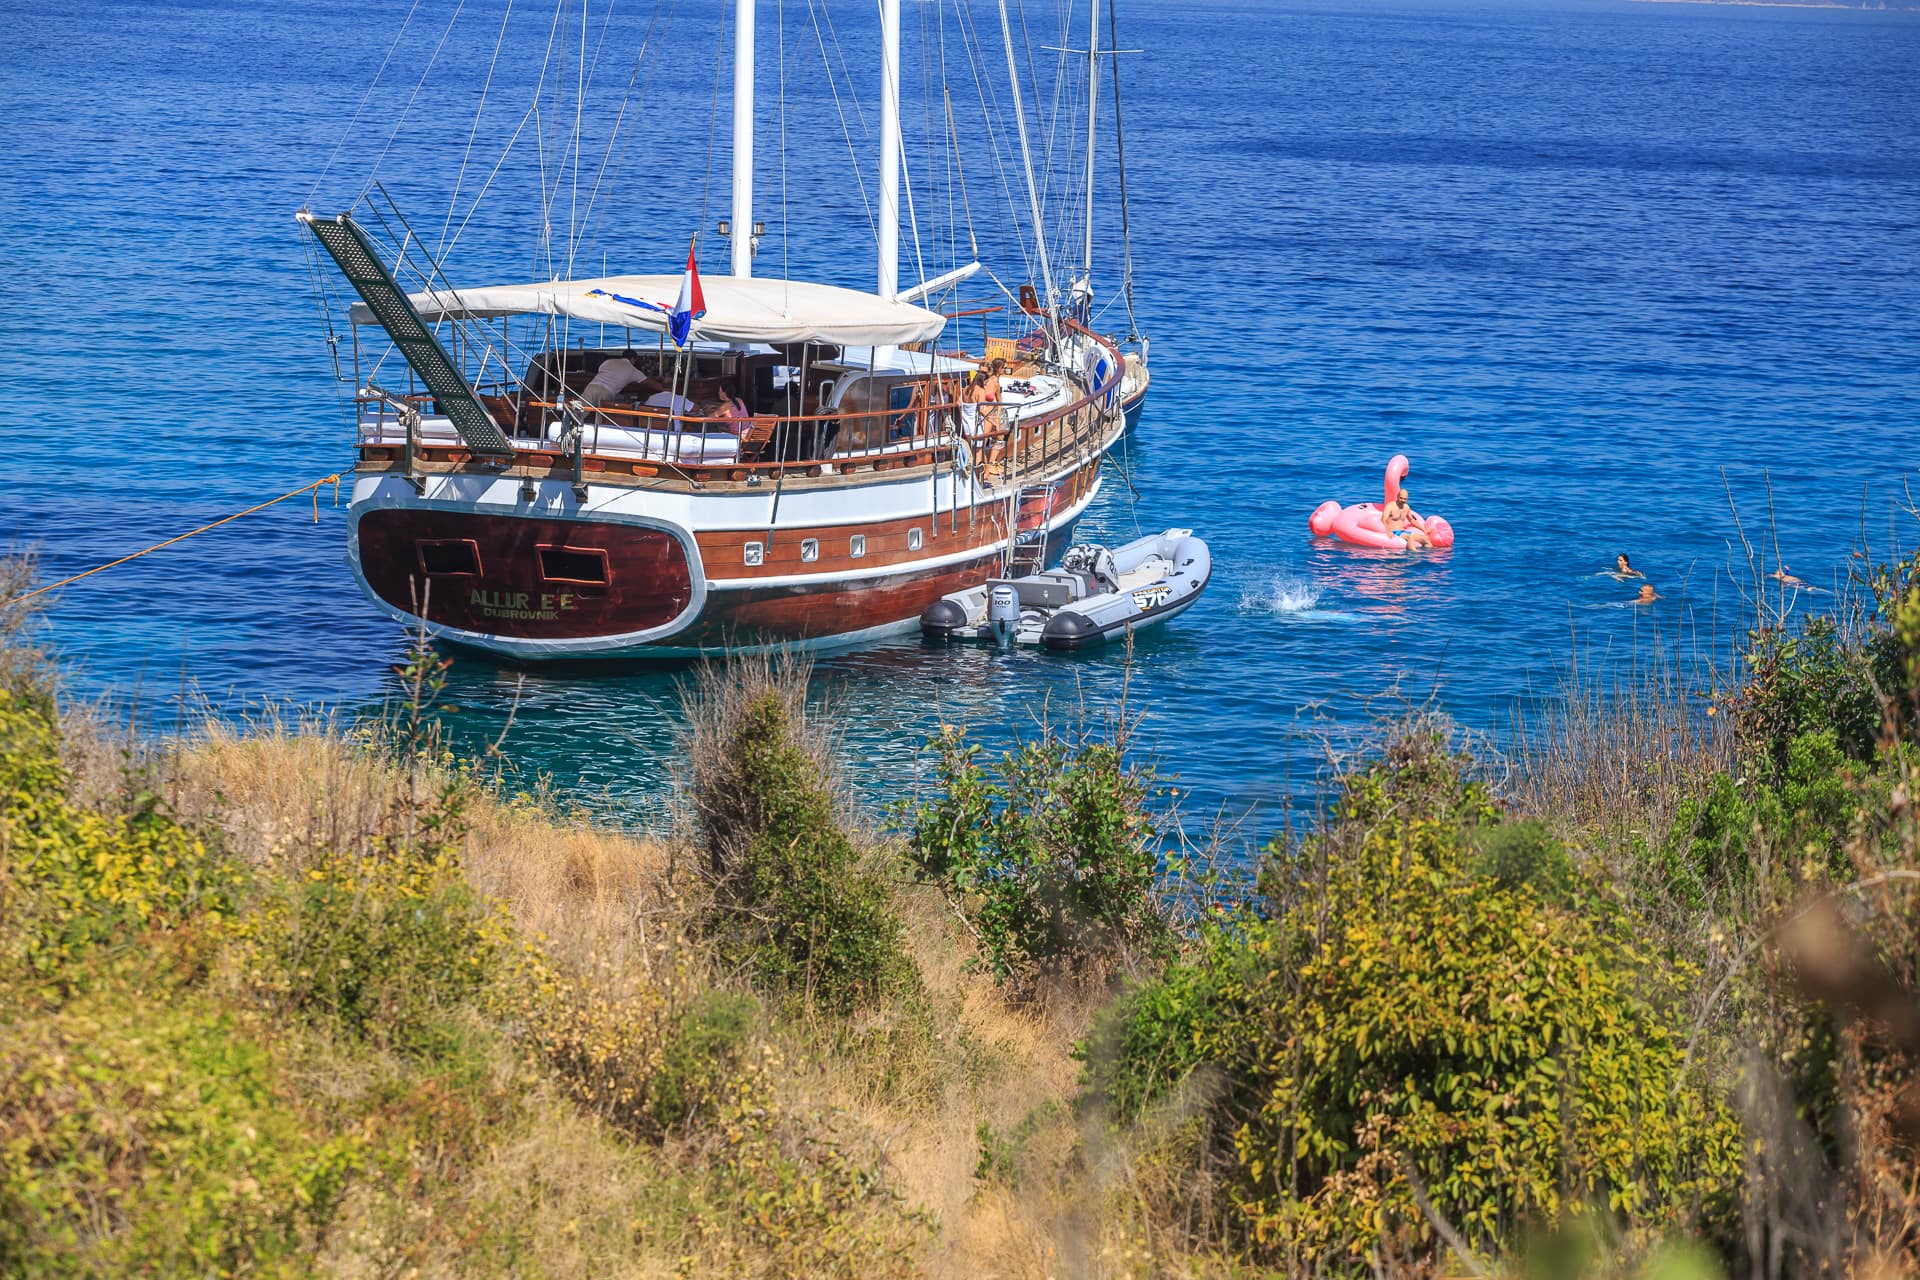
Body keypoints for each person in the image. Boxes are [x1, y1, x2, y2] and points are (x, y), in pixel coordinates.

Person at [580, 351, 648, 407]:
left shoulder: (608, 361)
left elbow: (600, 371)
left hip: (592, 386)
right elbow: (649, 382)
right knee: (602, 416)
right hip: (607, 391)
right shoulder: (633, 370)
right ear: (633, 359)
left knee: (579, 411)